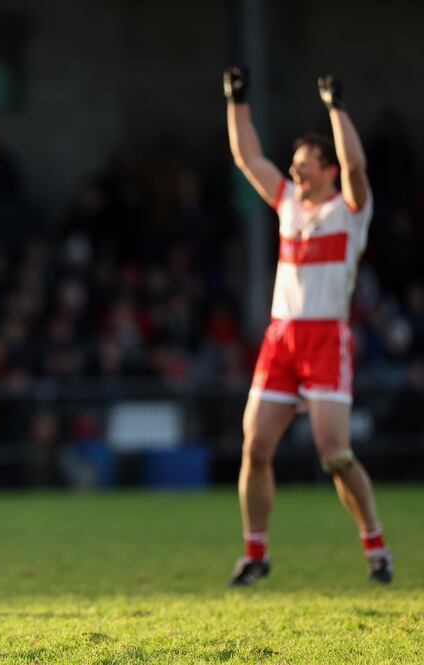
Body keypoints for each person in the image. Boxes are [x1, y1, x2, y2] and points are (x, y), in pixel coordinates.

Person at [223, 67, 393, 586]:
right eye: (293, 166)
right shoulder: (290, 206)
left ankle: (375, 545)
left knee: (335, 455)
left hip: (324, 338)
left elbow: (356, 164)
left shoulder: (349, 211)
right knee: (255, 447)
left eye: (303, 165)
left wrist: (336, 108)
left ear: (325, 168)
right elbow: (247, 157)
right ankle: (256, 553)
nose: (293, 173)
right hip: (282, 337)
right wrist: (237, 101)